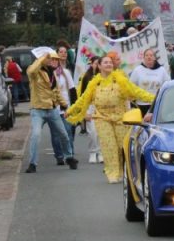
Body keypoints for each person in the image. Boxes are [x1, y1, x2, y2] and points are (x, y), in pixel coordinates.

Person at [66, 54, 155, 183]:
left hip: (120, 117)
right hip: (102, 118)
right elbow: (83, 99)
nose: (109, 64)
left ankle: (124, 171)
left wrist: (156, 98)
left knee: (121, 146)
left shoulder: (121, 80)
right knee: (109, 146)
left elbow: (136, 92)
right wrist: (70, 111)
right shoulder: (94, 84)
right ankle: (113, 173)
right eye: (105, 62)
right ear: (99, 66)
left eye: (110, 62)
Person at [24, 47, 77, 174]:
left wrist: (65, 105)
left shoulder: (53, 74)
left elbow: (56, 92)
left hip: (52, 109)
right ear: (44, 60)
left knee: (63, 134)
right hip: (38, 110)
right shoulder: (35, 72)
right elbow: (31, 71)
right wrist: (43, 58)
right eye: (52, 59)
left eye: (56, 60)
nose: (54, 62)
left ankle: (69, 157)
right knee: (36, 135)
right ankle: (32, 163)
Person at [53, 42, 80, 148]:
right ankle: (65, 151)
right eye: (61, 52)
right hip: (58, 103)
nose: (63, 54)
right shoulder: (54, 68)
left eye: (65, 52)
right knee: (61, 130)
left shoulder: (71, 67)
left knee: (71, 128)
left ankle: (69, 146)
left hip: (71, 98)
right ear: (57, 54)